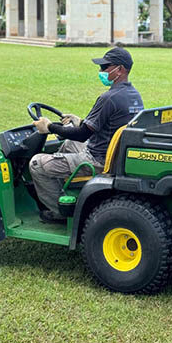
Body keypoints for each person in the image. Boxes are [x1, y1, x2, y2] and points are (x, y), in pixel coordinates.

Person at [29, 47, 144, 222]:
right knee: (67, 144)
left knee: (36, 163)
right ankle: (69, 191)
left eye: (105, 67)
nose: (101, 71)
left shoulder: (109, 98)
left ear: (120, 69)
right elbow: (104, 125)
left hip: (98, 160)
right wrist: (79, 121)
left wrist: (50, 127)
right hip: (112, 154)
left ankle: (60, 212)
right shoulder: (133, 95)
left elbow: (82, 135)